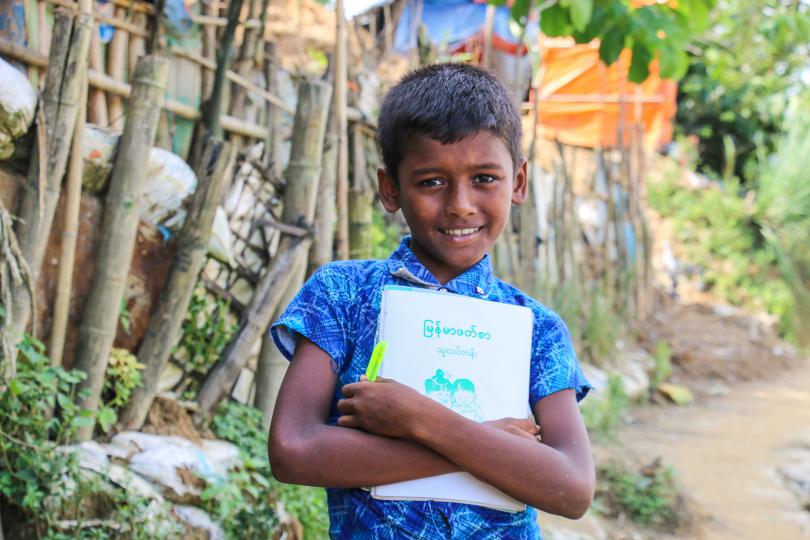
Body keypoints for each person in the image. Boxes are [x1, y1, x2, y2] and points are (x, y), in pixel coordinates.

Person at [268, 63, 594, 539]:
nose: (461, 204)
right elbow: (293, 450)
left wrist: (420, 419)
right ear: (390, 188)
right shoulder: (343, 295)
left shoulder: (536, 329)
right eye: (431, 182)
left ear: (519, 182)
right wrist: (486, 445)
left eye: (485, 178)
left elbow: (572, 488)